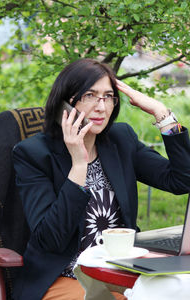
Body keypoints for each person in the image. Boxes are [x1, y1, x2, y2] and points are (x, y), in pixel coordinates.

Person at [12, 58, 190, 300]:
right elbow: (50, 239)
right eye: (90, 95)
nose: (101, 107)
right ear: (65, 103)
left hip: (121, 271)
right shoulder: (33, 154)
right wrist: (78, 165)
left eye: (108, 96)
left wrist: (163, 115)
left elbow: (181, 180)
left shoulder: (120, 139)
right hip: (64, 276)